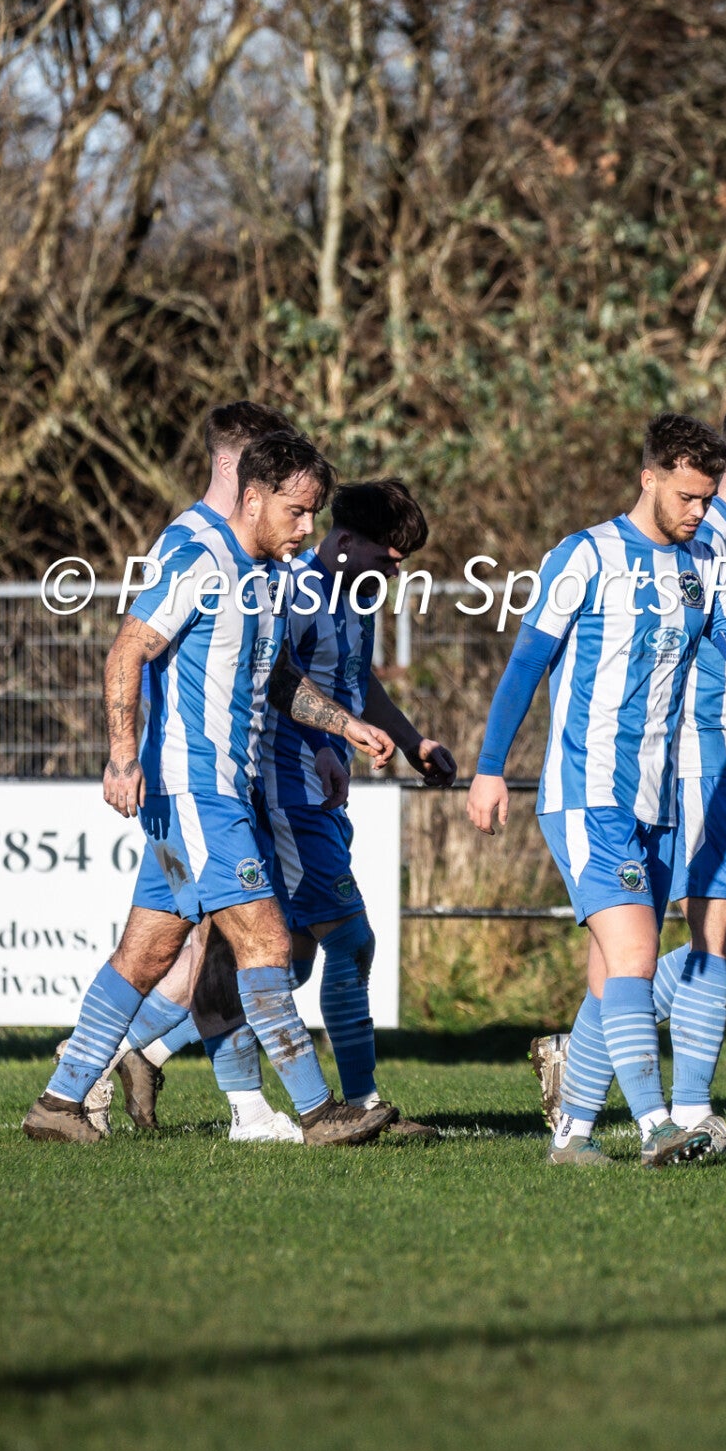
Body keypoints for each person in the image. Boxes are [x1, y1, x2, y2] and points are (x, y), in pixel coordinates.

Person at [467, 413, 726, 1167]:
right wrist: (489, 769)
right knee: (638, 952)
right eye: (686, 497)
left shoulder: (697, 566)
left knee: (625, 967)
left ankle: (572, 1136)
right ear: (648, 477)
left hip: (656, 796)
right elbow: (524, 666)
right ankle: (658, 1125)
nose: (698, 513)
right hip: (586, 789)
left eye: (708, 499)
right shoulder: (584, 555)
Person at [22, 431, 398, 1146]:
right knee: (266, 937)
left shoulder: (264, 580)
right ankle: (322, 1113)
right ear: (252, 499)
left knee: (147, 951)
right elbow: (128, 647)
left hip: (209, 797)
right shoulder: (201, 563)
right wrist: (122, 757)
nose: (307, 527)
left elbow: (280, 680)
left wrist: (344, 724)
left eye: (313, 512)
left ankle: (59, 1101)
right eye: (295, 511)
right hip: (194, 791)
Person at [259, 478, 457, 1140]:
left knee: (289, 960)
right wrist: (322, 741)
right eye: (388, 556)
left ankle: (134, 1051)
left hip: (320, 795)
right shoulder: (293, 591)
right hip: (287, 789)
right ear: (344, 541)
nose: (394, 572)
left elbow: (357, 681)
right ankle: (363, 1102)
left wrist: (412, 740)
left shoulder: (356, 596)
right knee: (351, 938)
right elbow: (276, 681)